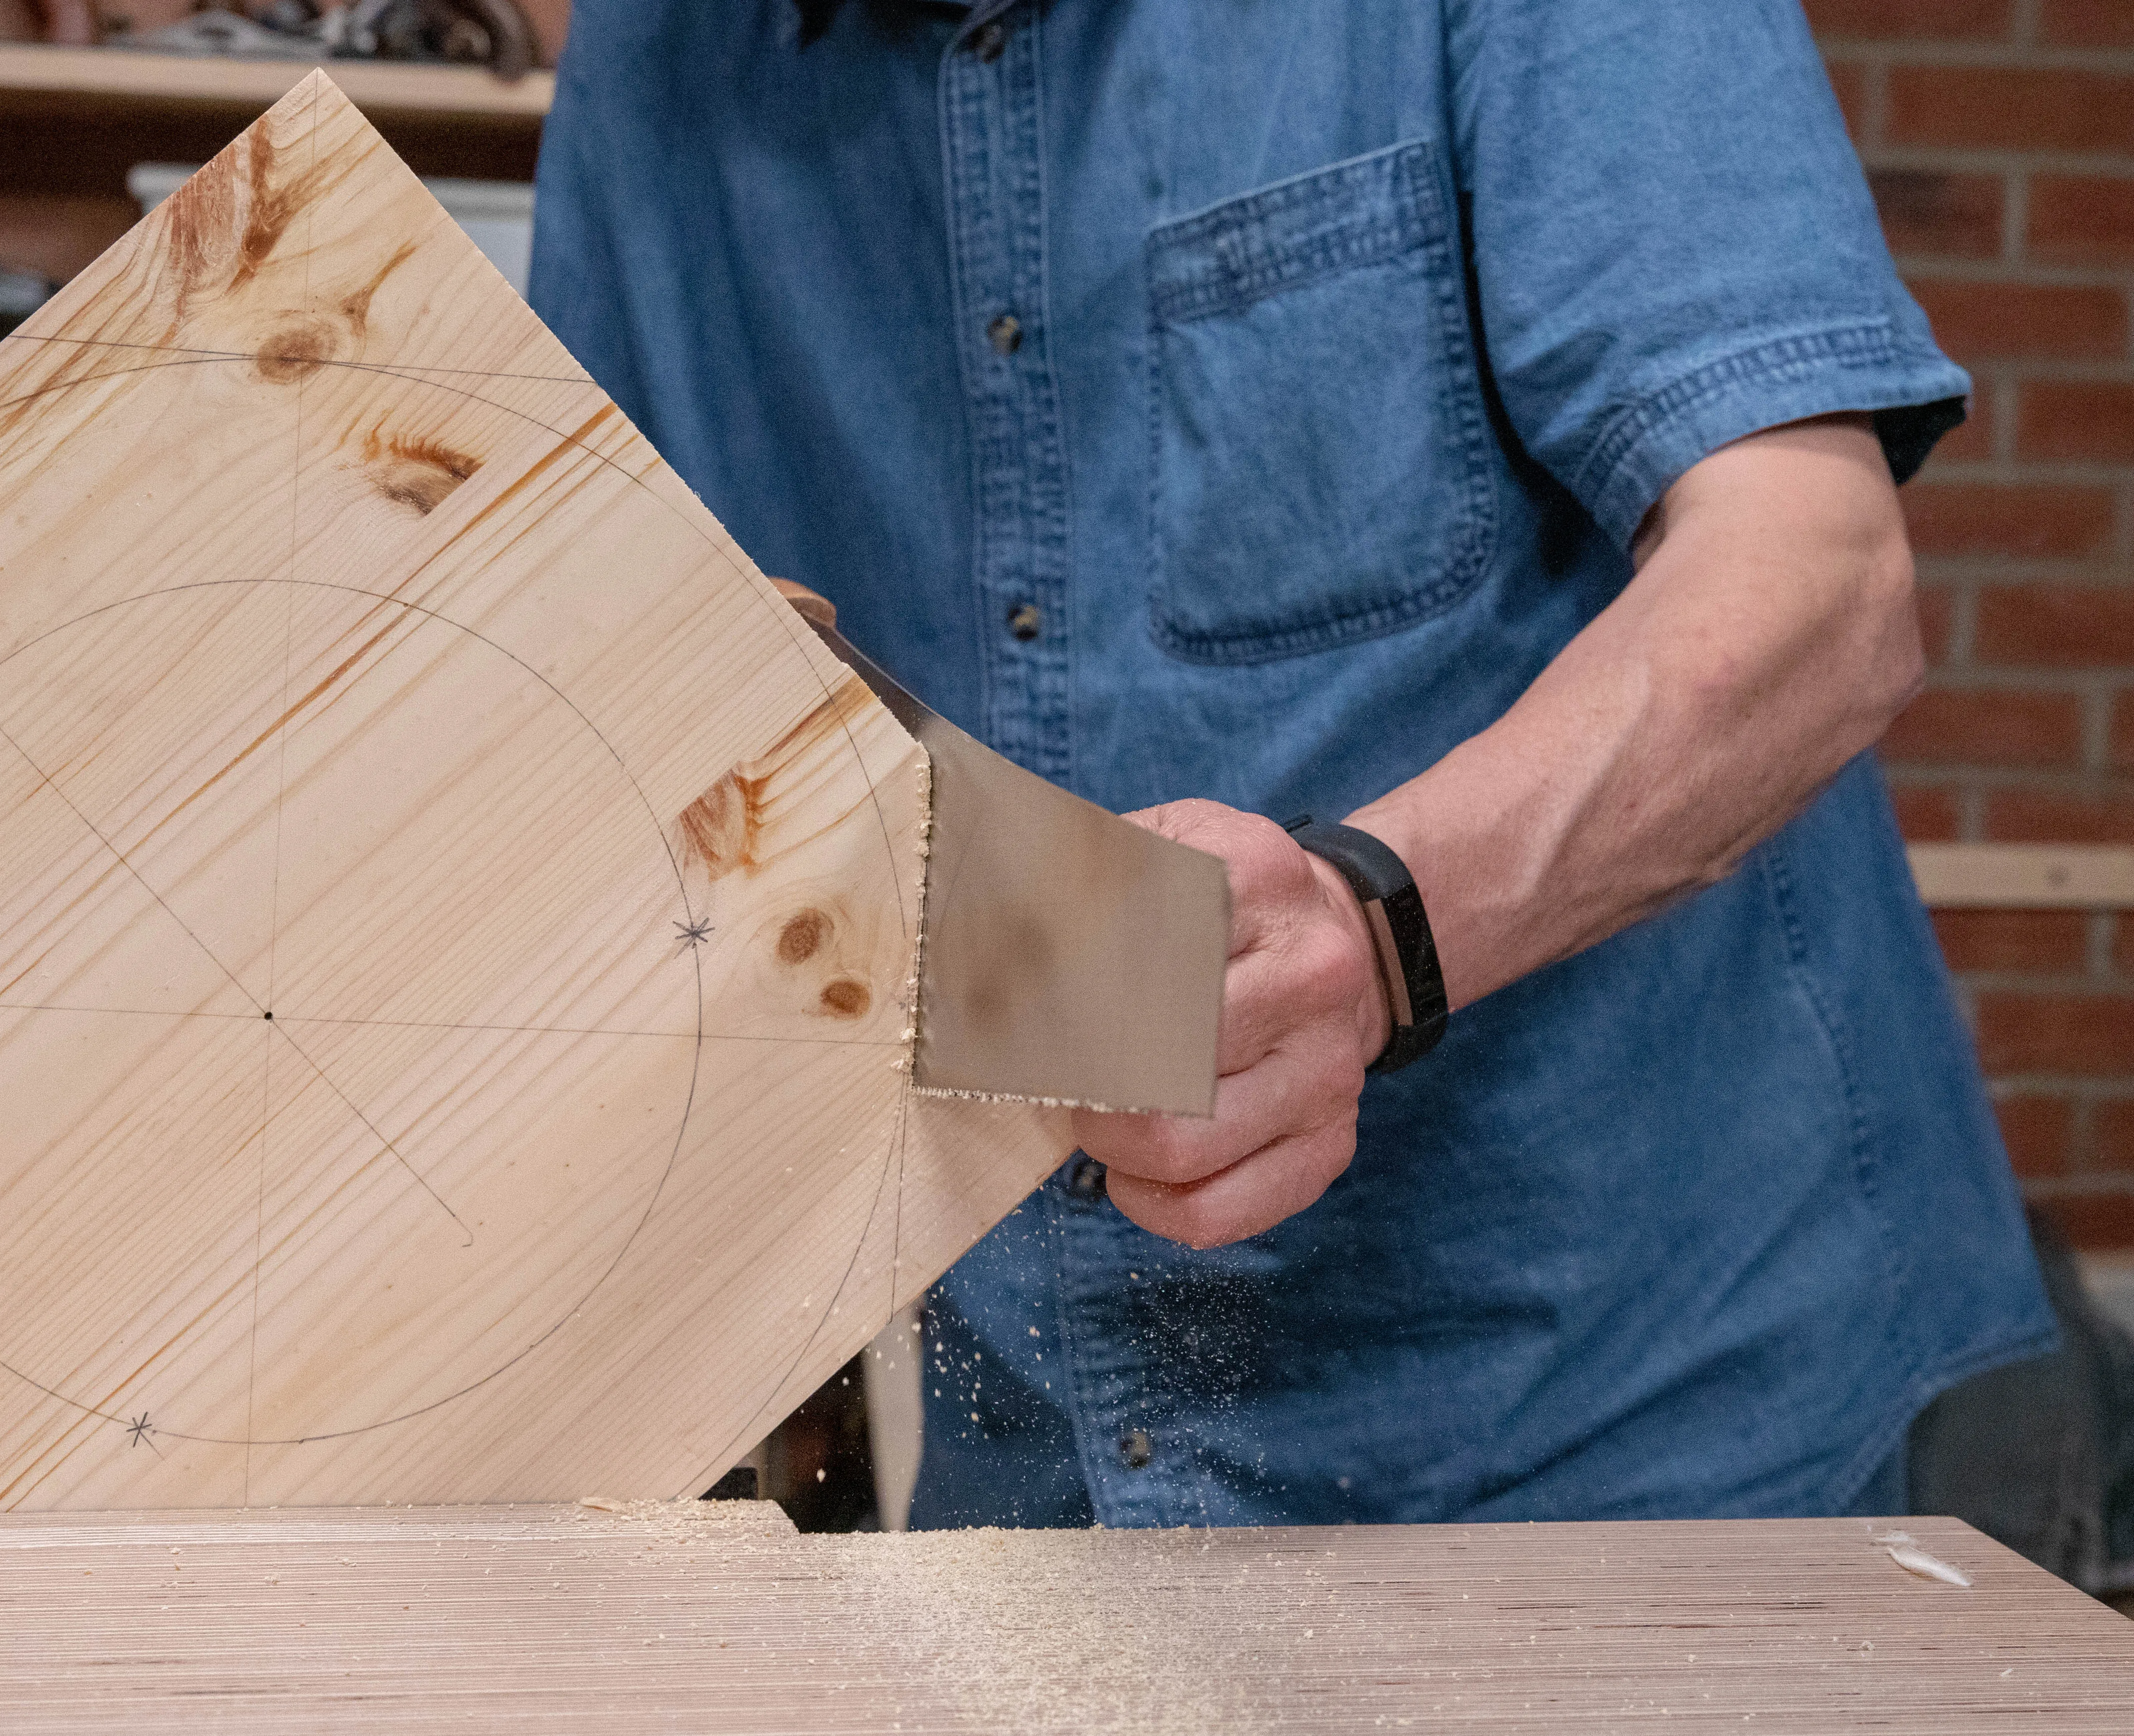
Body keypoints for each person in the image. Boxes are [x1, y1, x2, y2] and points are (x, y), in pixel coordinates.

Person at [530, 0, 2056, 1526]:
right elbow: (612, 733)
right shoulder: (659, 68)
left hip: (1630, 1418)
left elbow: (1822, 586)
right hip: (1050, 1447)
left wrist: (1373, 928)